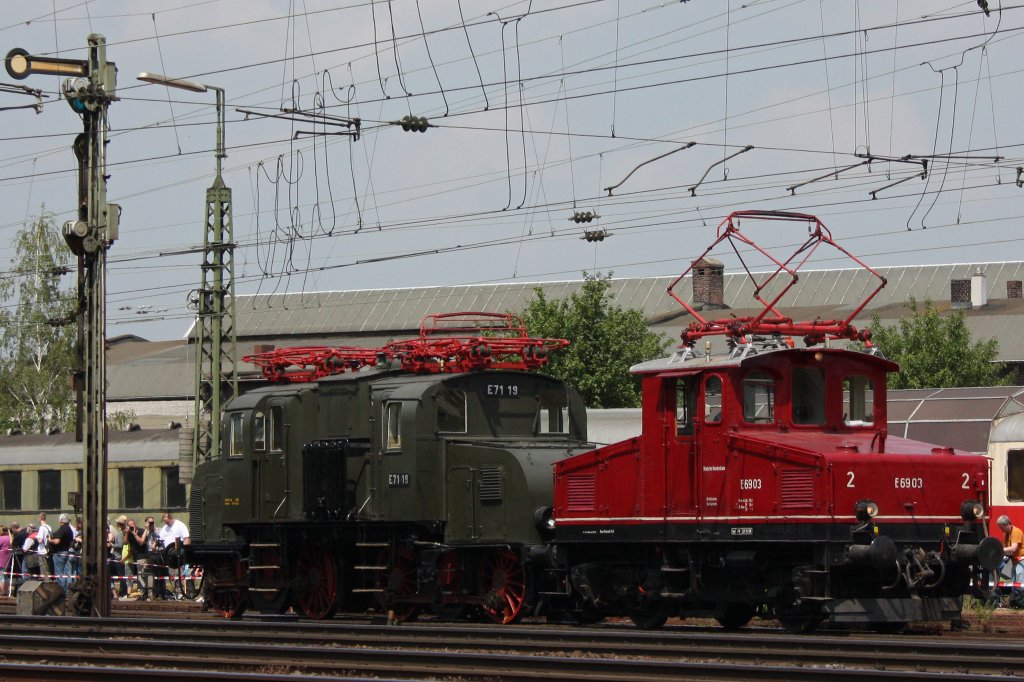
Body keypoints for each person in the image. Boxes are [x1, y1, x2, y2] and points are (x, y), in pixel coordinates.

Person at [998, 515, 1024, 607]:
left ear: (1007, 525)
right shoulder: (1006, 534)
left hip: (1021, 561)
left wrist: (1000, 550)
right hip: (1014, 561)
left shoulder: (1016, 532)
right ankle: (1016, 604)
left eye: (1002, 527)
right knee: (1014, 584)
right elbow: (1007, 549)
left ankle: (1020, 603)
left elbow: (1013, 548)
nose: (1001, 530)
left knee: (1020, 584)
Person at [48, 514, 75, 590]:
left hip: (59, 553)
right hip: (67, 552)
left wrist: (50, 540)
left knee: (59, 574)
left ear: (61, 521)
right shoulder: (69, 529)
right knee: (67, 573)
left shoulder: (62, 529)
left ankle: (61, 591)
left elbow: (57, 541)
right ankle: (67, 591)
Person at [0, 525, 11, 595]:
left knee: (1, 576)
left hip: (1, 559)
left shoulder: (1, 538)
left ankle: (2, 592)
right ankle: (6, 591)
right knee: (5, 575)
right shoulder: (10, 538)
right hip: (8, 559)